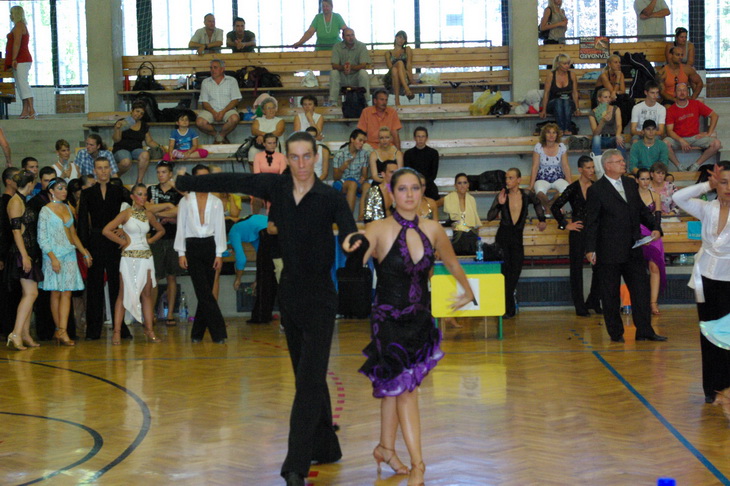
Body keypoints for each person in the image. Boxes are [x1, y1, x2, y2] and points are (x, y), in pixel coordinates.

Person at [174, 132, 359, 486]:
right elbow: (233, 181)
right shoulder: (276, 187)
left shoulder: (330, 197)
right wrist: (191, 183)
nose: (301, 163)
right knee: (307, 374)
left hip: (321, 299)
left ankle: (295, 464)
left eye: (307, 156)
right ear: (287, 158)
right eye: (295, 156)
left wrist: (356, 243)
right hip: (290, 296)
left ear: (317, 158)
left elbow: (349, 232)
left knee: (308, 381)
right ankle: (327, 446)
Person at [343, 167, 475, 486]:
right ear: (391, 193)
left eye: (415, 188)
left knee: (395, 388)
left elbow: (451, 261)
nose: (409, 194)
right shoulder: (378, 229)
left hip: (419, 321)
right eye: (402, 189)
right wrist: (351, 246)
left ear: (422, 191)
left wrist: (467, 289)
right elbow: (353, 266)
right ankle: (419, 465)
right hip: (388, 322)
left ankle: (385, 448)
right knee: (406, 391)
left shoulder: (432, 228)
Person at [584, 149, 667, 343]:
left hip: (633, 247)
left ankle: (644, 331)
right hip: (608, 250)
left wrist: (655, 227)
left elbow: (641, 211)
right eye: (619, 161)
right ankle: (616, 333)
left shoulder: (630, 183)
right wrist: (590, 249)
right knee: (610, 294)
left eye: (623, 160)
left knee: (641, 290)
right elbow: (592, 222)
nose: (624, 163)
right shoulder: (596, 190)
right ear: (608, 165)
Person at [671, 162, 730, 404]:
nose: (728, 187)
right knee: (708, 334)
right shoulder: (707, 208)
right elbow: (677, 197)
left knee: (727, 337)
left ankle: (728, 387)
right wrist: (707, 185)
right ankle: (712, 388)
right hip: (705, 279)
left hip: (728, 280)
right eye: (723, 182)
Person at [77, 157, 132, 341]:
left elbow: (133, 212)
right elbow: (82, 222)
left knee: (117, 284)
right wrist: (84, 249)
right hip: (95, 241)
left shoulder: (119, 191)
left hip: (114, 242)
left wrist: (124, 230)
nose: (103, 171)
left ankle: (120, 327)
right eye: (99, 168)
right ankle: (93, 330)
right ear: (94, 170)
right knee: (94, 286)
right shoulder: (87, 193)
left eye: (106, 167)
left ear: (110, 169)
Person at [102, 183, 164, 345]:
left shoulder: (148, 214)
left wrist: (149, 241)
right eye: (139, 194)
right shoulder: (126, 213)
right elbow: (106, 230)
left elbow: (161, 230)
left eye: (145, 194)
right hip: (129, 257)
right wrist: (123, 242)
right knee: (123, 294)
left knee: (147, 293)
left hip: (146, 257)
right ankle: (116, 332)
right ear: (132, 196)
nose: (143, 197)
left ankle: (149, 330)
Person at [174, 164, 227, 344]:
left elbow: (220, 228)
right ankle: (219, 332)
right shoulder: (185, 201)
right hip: (192, 246)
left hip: (210, 246)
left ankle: (197, 333)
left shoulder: (216, 202)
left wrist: (219, 254)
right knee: (203, 291)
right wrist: (181, 252)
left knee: (206, 292)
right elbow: (181, 227)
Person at [37, 178, 91, 346]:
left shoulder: (67, 207)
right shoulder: (45, 211)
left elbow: (73, 234)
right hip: (52, 255)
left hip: (69, 254)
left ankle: (62, 330)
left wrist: (84, 252)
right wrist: (53, 258)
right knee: (55, 292)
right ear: (51, 191)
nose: (64, 191)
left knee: (67, 292)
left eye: (65, 188)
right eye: (60, 188)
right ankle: (59, 329)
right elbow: (42, 238)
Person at [488, 168, 547, 319]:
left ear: (519, 180)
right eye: (506, 178)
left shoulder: (527, 194)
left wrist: (542, 220)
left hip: (517, 238)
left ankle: (508, 306)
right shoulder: (502, 195)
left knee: (515, 272)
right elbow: (490, 216)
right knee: (504, 273)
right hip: (503, 237)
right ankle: (508, 309)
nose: (507, 181)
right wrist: (499, 204)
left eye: (511, 178)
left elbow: (537, 203)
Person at [550, 155, 602, 316]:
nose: (591, 170)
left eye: (593, 167)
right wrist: (565, 224)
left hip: (595, 231)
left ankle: (593, 300)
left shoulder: (597, 187)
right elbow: (555, 207)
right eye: (588, 168)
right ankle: (579, 305)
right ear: (580, 170)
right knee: (576, 269)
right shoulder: (572, 188)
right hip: (578, 231)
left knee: (599, 267)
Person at [5, 170, 42, 350]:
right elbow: (15, 231)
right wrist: (24, 255)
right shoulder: (15, 202)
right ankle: (16, 333)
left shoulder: (22, 200)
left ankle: (25, 333)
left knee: (29, 294)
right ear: (30, 184)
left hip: (28, 252)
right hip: (21, 253)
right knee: (31, 293)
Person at [146, 161, 183, 326]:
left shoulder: (177, 191)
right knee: (155, 277)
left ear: (170, 174)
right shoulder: (151, 190)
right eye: (158, 172)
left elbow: (180, 211)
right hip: (156, 237)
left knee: (171, 276)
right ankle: (151, 313)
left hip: (174, 237)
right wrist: (168, 208)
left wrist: (159, 213)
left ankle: (170, 314)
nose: (160, 175)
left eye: (164, 172)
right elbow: (147, 209)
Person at [27, 166, 60, 341]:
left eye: (52, 180)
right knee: (44, 292)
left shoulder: (63, 200)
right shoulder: (35, 202)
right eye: (46, 180)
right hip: (42, 252)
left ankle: (62, 328)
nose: (49, 184)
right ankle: (45, 331)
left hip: (61, 251)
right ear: (41, 182)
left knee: (61, 291)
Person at [664, 83, 722, 172]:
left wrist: (709, 133)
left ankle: (695, 165)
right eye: (679, 90)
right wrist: (681, 140)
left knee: (717, 144)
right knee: (664, 144)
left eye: (684, 90)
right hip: (678, 139)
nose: (682, 92)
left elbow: (714, 116)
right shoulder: (671, 110)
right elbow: (669, 131)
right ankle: (680, 167)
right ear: (675, 93)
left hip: (695, 137)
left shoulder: (696, 104)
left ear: (688, 92)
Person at [636, 168, 666, 316]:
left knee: (654, 267)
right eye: (642, 179)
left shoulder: (655, 195)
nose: (645, 182)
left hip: (652, 233)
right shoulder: (631, 196)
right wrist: (638, 236)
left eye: (648, 178)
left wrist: (656, 231)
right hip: (636, 233)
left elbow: (657, 218)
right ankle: (638, 302)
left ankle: (653, 302)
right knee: (637, 270)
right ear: (637, 180)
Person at [112, 100, 160, 183]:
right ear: (132, 110)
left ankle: (139, 181)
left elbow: (149, 141)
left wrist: (159, 147)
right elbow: (116, 139)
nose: (139, 114)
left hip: (136, 150)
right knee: (126, 162)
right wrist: (117, 129)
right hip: (121, 149)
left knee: (145, 154)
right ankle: (114, 177)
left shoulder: (144, 125)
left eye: (141, 113)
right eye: (137, 111)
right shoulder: (122, 122)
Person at [197, 60, 242, 146]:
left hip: (228, 109)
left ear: (222, 69)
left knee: (234, 119)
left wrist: (223, 111)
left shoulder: (232, 81)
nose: (212, 70)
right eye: (211, 68)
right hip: (210, 110)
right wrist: (214, 112)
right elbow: (204, 102)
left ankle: (220, 136)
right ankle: (218, 136)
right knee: (200, 122)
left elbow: (235, 100)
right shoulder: (205, 82)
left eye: (215, 67)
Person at [530, 123, 572, 209]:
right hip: (542, 178)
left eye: (554, 132)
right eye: (548, 132)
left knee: (566, 190)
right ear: (544, 134)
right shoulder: (538, 146)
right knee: (539, 192)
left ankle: (549, 206)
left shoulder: (561, 146)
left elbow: (565, 166)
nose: (551, 135)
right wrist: (531, 185)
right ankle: (550, 208)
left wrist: (570, 183)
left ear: (557, 135)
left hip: (558, 178)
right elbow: (535, 166)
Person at [0, 167, 20, 338]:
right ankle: (6, 328)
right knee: (6, 292)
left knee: (14, 292)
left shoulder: (17, 200)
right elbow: (3, 231)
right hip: (6, 253)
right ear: (8, 181)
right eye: (16, 177)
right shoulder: (4, 202)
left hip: (14, 252)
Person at [5, 6, 35, 119]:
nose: (10, 15)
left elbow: (17, 43)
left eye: (12, 13)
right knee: (20, 86)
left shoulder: (19, 26)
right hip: (20, 59)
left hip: (22, 59)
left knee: (23, 84)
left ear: (16, 14)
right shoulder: (19, 26)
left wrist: (14, 59)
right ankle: (25, 110)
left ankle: (32, 110)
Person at [540, 54, 581, 135]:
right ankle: (561, 128)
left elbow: (575, 92)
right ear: (558, 64)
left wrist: (577, 109)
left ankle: (566, 128)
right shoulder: (551, 75)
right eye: (564, 64)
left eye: (568, 63)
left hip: (568, 103)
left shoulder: (572, 75)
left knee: (566, 101)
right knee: (559, 101)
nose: (567, 66)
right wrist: (543, 110)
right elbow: (546, 93)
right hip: (554, 104)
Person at [333, 128, 370, 218]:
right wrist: (342, 168)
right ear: (352, 139)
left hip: (357, 181)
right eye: (360, 140)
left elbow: (365, 174)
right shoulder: (340, 154)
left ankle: (361, 216)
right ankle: (348, 218)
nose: (362, 143)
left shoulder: (364, 154)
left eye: (363, 141)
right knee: (353, 184)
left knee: (367, 186)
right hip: (342, 182)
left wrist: (363, 178)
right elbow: (336, 177)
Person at [329, 28, 371, 106]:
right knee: (334, 73)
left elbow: (363, 65)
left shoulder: (361, 46)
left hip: (356, 77)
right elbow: (334, 65)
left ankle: (367, 101)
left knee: (363, 72)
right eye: (348, 35)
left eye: (352, 35)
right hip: (342, 77)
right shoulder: (337, 46)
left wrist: (350, 67)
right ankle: (333, 102)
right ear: (343, 37)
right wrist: (344, 68)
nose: (351, 37)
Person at [252, 133, 288, 214]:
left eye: (274, 143)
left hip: (277, 184)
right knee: (257, 197)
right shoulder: (258, 156)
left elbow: (282, 174)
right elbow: (257, 174)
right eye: (269, 143)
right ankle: (255, 217)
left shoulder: (281, 156)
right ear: (264, 144)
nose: (272, 145)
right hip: (262, 183)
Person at [404, 127, 440, 203]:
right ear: (414, 138)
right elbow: (408, 173)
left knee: (433, 196)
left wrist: (423, 185)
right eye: (418, 136)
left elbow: (433, 174)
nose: (420, 139)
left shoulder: (433, 153)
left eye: (423, 136)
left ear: (426, 138)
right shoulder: (408, 154)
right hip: (413, 185)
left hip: (429, 185)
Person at [589, 88, 625, 158]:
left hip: (613, 137)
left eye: (609, 97)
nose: (608, 99)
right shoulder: (593, 112)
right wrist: (602, 121)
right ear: (599, 99)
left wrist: (618, 135)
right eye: (605, 97)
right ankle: (597, 162)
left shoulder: (615, 108)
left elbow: (619, 125)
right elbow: (595, 133)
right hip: (600, 138)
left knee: (621, 138)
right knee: (596, 138)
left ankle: (622, 161)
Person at [382, 31, 415, 105]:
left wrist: (410, 77)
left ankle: (397, 100)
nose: (401, 40)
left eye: (404, 39)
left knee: (396, 69)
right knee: (396, 66)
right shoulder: (388, 53)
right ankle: (407, 89)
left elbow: (409, 64)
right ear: (396, 37)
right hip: (391, 78)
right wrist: (400, 67)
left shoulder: (407, 49)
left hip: (404, 75)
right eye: (400, 37)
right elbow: (390, 68)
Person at [363, 160, 396, 224]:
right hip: (378, 226)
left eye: (397, 172)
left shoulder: (400, 192)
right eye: (392, 172)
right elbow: (368, 218)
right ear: (383, 174)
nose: (395, 175)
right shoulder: (374, 191)